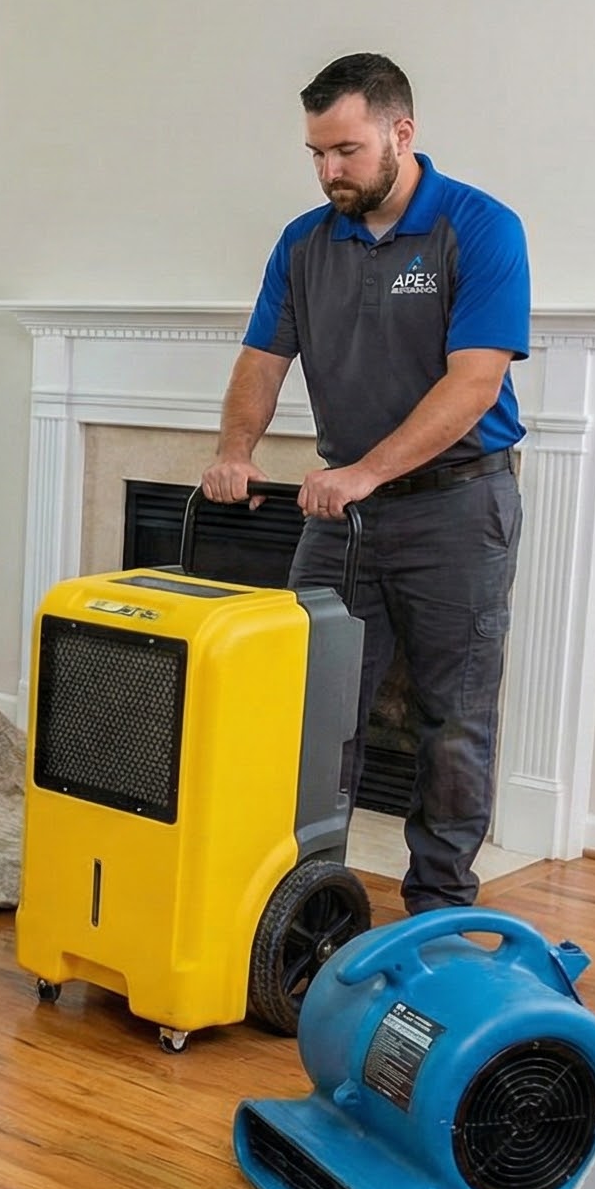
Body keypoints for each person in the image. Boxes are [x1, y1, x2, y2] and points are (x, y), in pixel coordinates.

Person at [201, 52, 532, 916]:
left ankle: (440, 913)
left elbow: (474, 384)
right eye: (315, 153)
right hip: (343, 517)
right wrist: (237, 448)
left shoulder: (480, 228)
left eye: (345, 150)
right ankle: (304, 899)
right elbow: (263, 359)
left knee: (452, 720)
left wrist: (364, 472)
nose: (328, 171)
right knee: (307, 711)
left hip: (460, 506)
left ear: (401, 132)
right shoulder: (306, 242)